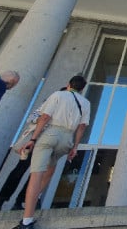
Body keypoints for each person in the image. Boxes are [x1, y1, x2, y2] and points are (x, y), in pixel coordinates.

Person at [12, 76, 90, 229]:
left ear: (68, 84)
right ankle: (37, 198)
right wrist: (75, 147)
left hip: (51, 134)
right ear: (82, 89)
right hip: (67, 138)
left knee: (36, 175)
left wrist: (33, 139)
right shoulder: (85, 102)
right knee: (50, 170)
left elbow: (45, 117)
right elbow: (82, 127)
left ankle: (27, 220)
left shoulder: (58, 95)